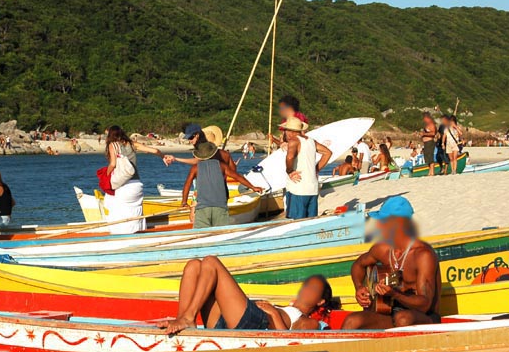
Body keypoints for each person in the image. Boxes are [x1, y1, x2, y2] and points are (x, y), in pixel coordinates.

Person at [157, 256, 334, 334]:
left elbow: (287, 343)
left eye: (313, 289)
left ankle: (188, 318)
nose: (306, 288)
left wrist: (273, 313)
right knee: (194, 266)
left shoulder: (309, 321)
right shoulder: (289, 307)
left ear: (320, 301)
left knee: (211, 262)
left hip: (255, 324)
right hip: (236, 320)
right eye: (307, 285)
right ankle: (184, 322)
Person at [341, 196, 441, 329]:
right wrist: (359, 287)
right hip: (389, 312)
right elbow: (358, 265)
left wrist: (395, 294)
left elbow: (425, 304)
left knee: (403, 319)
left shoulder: (423, 255)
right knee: (352, 321)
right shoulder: (382, 249)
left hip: (423, 317)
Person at [181, 142, 263, 228]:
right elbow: (238, 177)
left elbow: (187, 184)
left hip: (202, 208)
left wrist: (184, 201)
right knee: (221, 234)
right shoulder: (222, 166)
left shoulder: (195, 168)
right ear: (213, 153)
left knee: (200, 235)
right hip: (220, 207)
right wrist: (253, 187)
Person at [104, 125, 165, 234]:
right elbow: (155, 150)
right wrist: (163, 156)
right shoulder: (132, 144)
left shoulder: (112, 145)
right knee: (136, 213)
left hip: (124, 186)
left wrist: (107, 175)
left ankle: (122, 236)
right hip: (137, 186)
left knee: (118, 213)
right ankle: (138, 233)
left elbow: (113, 164)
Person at [284, 118, 332, 219]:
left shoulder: (294, 141)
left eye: (286, 130)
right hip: (312, 188)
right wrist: (316, 169)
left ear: (290, 131)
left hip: (298, 188)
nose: (285, 133)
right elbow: (328, 153)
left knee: (296, 221)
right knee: (310, 220)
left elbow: (290, 157)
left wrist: (289, 171)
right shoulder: (311, 141)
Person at [164, 124, 236, 171]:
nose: (189, 141)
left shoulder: (203, 154)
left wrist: (175, 159)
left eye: (191, 138)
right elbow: (233, 170)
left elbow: (197, 161)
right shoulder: (225, 154)